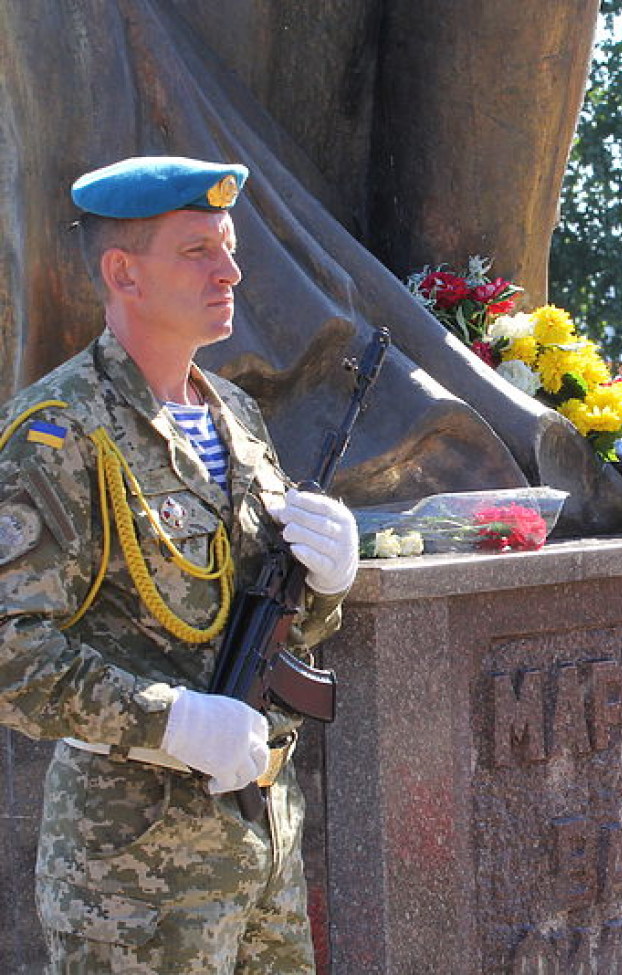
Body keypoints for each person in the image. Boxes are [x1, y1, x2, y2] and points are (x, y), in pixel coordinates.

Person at [0, 156, 359, 972]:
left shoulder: (234, 413)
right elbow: (10, 653)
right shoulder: (57, 433)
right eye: (199, 250)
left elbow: (265, 608)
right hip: (133, 882)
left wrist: (331, 582)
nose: (230, 270)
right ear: (123, 272)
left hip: (263, 845)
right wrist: (170, 722)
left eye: (229, 247)